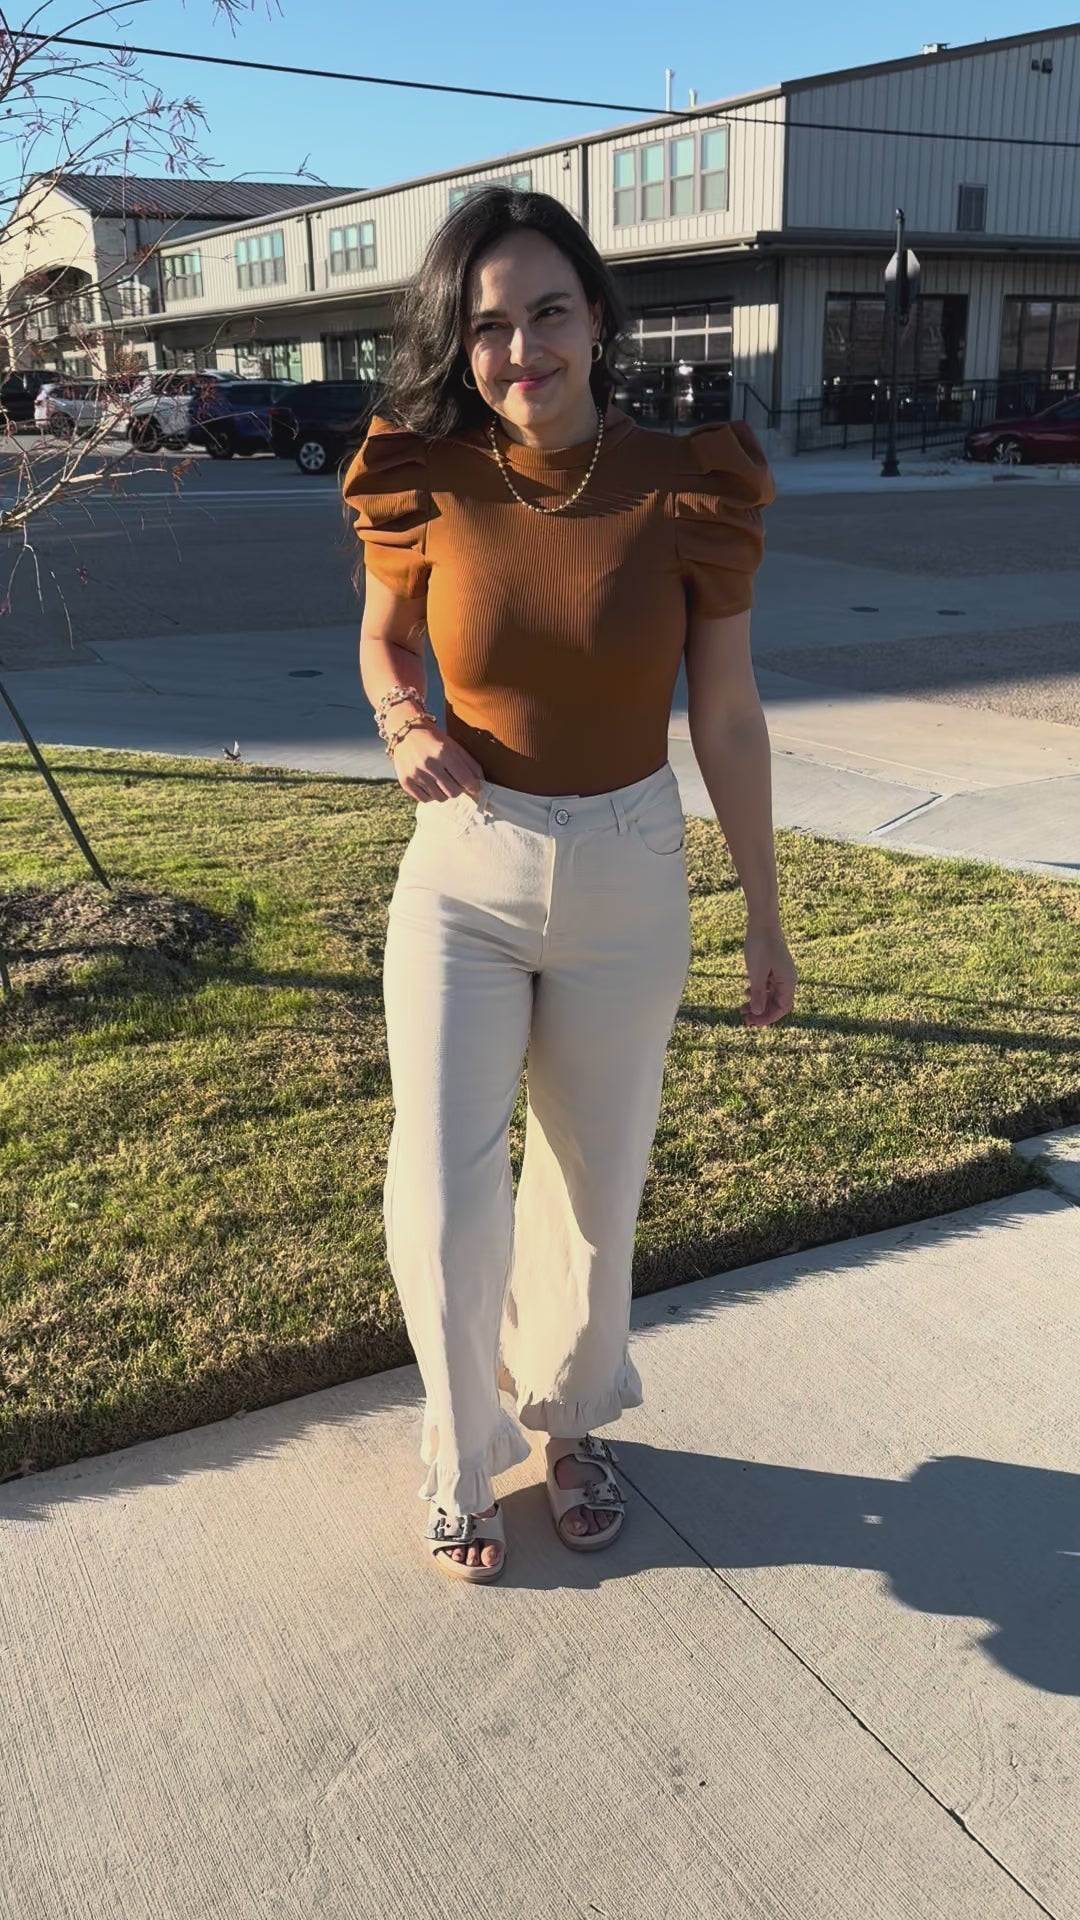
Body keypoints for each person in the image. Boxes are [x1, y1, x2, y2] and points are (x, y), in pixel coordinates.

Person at [342, 186, 796, 1586]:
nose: (520, 348)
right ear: (460, 343)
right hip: (466, 872)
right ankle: (457, 1448)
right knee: (442, 1182)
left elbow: (724, 716)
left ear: (598, 316)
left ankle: (570, 1419)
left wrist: (765, 917)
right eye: (487, 325)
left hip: (625, 870)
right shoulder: (427, 475)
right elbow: (382, 645)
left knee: (597, 1189)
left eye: (547, 312)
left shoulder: (688, 483)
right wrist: (407, 726)